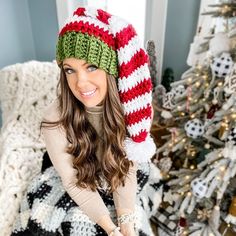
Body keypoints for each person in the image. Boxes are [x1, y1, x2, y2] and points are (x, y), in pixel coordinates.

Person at [11, 6, 162, 236]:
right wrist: (111, 230)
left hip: (116, 168)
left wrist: (126, 226)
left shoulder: (131, 109)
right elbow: (72, 182)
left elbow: (125, 173)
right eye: (70, 70)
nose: (81, 83)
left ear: (111, 69)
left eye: (91, 67)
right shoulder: (54, 118)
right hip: (76, 167)